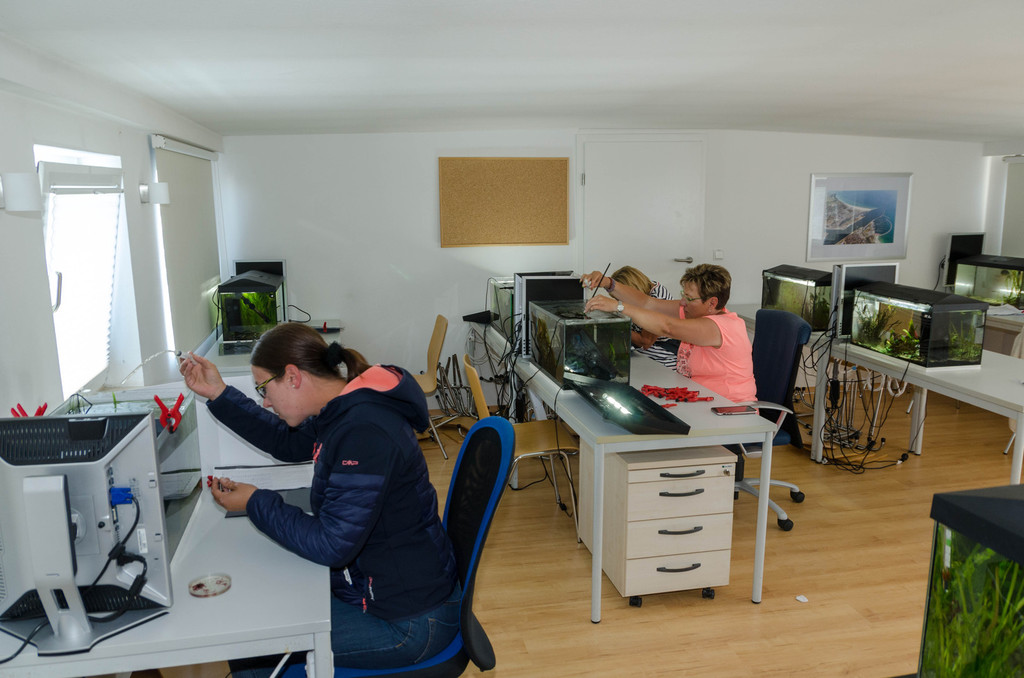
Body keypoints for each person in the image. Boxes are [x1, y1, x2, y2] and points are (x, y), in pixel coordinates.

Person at [179, 322, 460, 673]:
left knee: (253, 650)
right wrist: (219, 393)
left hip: (410, 622)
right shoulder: (344, 408)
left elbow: (332, 545)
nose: (265, 401)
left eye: (264, 388)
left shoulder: (365, 431)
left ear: (293, 377)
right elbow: (287, 442)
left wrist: (254, 502)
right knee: (261, 615)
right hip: (382, 590)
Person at [582, 263, 756, 403]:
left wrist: (618, 306)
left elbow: (667, 327)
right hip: (700, 400)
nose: (682, 302)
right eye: (683, 294)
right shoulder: (693, 311)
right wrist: (609, 283)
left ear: (712, 303)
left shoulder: (718, 328)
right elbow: (648, 303)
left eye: (689, 298)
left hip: (729, 410)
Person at [609, 265, 678, 368]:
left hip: (662, 355)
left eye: (619, 298)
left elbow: (645, 341)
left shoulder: (658, 298)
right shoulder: (646, 288)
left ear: (631, 289)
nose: (619, 301)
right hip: (641, 351)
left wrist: (616, 326)